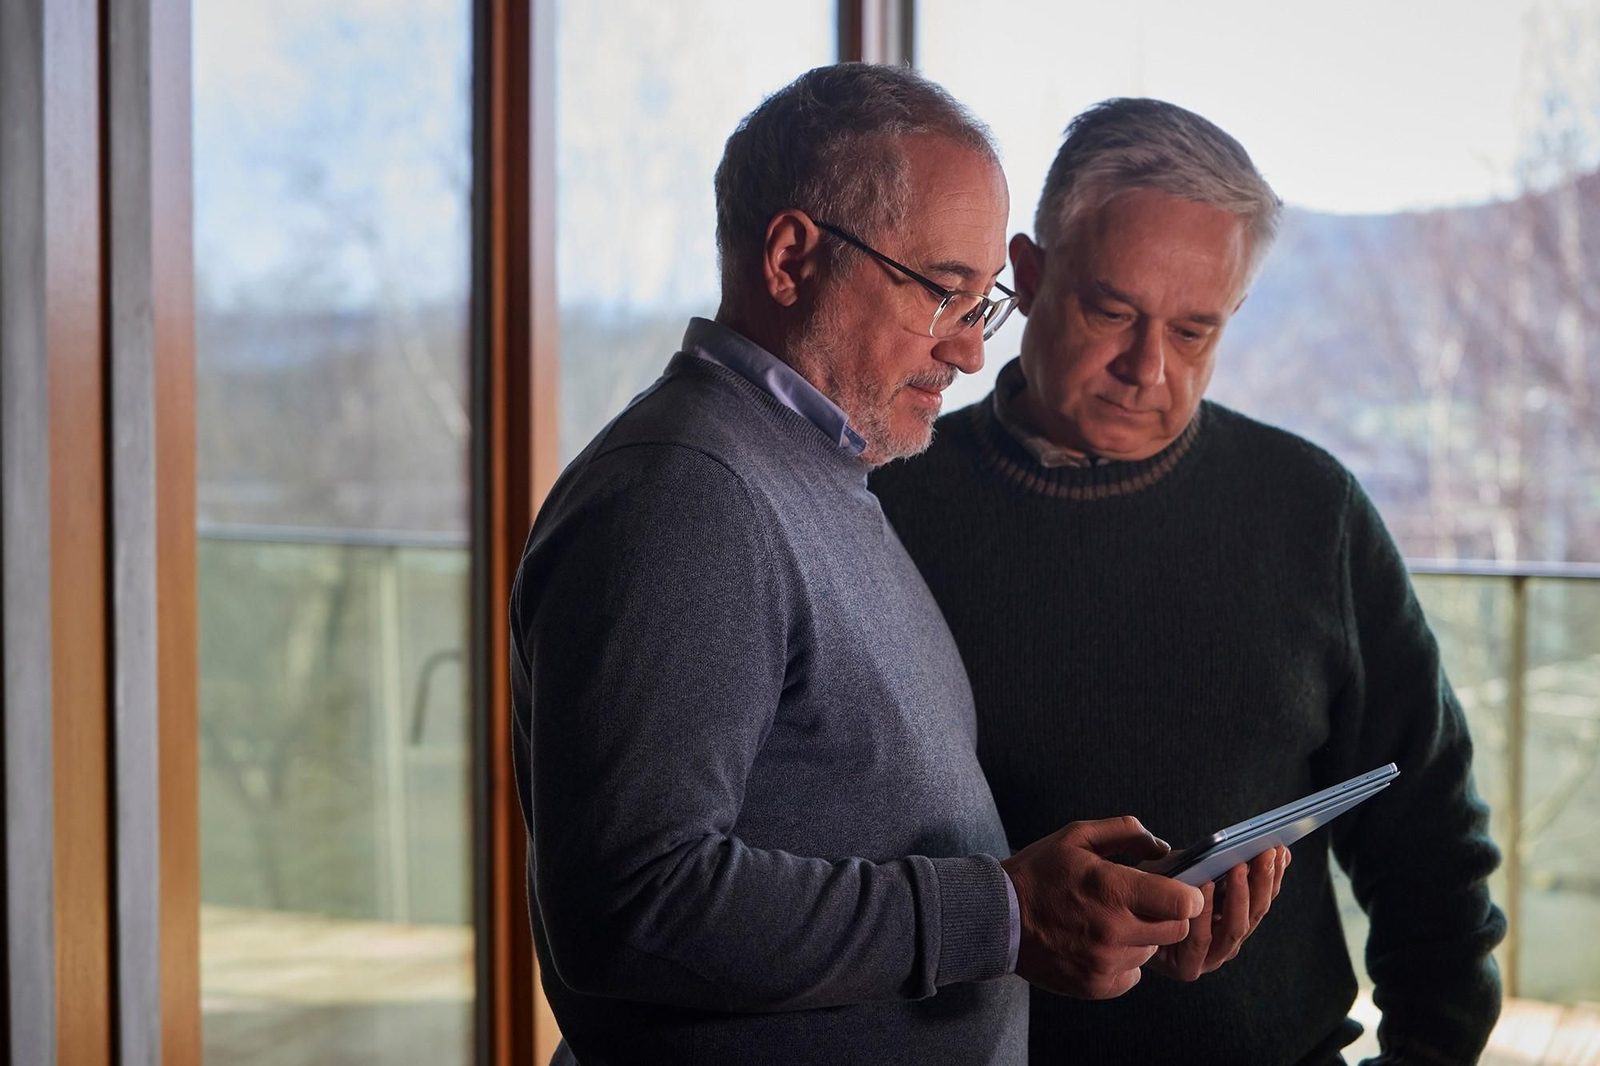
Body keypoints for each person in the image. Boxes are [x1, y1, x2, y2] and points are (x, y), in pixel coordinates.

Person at [507, 68, 1286, 1066]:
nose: (968, 351)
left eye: (983, 301)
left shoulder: (817, 475)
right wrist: (1001, 912)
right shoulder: (687, 495)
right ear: (792, 258)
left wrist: (1065, 903)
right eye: (941, 292)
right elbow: (631, 905)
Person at [871, 97, 1508, 1066]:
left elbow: (1430, 841)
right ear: (1030, 277)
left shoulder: (1309, 508)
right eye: (1111, 310)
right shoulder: (886, 506)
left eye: (1193, 330)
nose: (1147, 368)